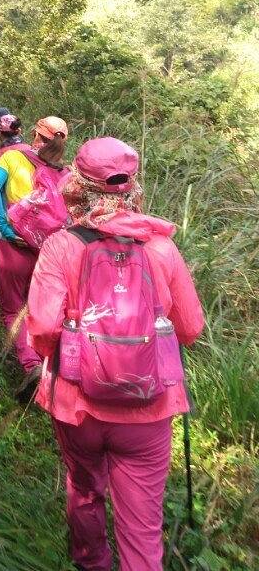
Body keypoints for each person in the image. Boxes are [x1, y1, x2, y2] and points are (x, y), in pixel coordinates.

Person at [26, 137, 204, 571]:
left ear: (78, 185)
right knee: (142, 529)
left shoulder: (61, 245)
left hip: (78, 405)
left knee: (85, 490)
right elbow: (191, 329)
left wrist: (62, 360)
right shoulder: (161, 247)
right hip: (148, 409)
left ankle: (92, 562)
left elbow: (43, 327)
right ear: (132, 186)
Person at [0, 117, 69, 386]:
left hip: (14, 244)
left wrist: (4, 226)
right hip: (48, 252)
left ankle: (31, 364)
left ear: (35, 134)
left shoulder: (12, 156)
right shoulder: (66, 174)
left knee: (12, 308)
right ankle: (53, 368)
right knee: (41, 308)